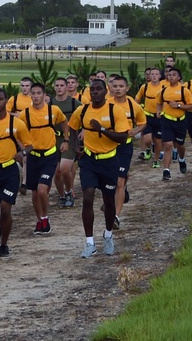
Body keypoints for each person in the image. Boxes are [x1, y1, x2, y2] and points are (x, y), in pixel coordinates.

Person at [67, 79, 129, 258]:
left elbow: (123, 137)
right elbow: (72, 127)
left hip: (109, 161)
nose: (95, 92)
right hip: (89, 161)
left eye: (98, 89)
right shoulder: (83, 110)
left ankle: (108, 235)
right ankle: (89, 243)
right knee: (87, 198)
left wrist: (101, 128)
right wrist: (74, 147)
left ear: (105, 91)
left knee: (108, 202)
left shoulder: (114, 110)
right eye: (92, 89)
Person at [0, 88, 32, 256]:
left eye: (0, 99)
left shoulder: (16, 123)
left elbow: (29, 145)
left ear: (5, 101)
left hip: (9, 171)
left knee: (6, 208)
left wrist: (22, 153)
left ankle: (3, 245)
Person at [18, 82, 69, 235]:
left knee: (42, 190)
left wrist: (66, 140)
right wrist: (23, 149)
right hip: (33, 157)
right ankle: (39, 219)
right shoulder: (25, 114)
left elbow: (64, 122)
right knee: (34, 193)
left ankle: (46, 217)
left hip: (49, 156)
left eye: (38, 93)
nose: (35, 96)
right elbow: (18, 132)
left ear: (44, 95)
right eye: (33, 93)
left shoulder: (53, 110)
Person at [109, 76, 145, 229]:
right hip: (107, 147)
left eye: (121, 86)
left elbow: (142, 122)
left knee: (119, 182)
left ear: (127, 88)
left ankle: (115, 216)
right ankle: (112, 199)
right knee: (109, 181)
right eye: (115, 86)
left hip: (125, 147)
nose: (117, 89)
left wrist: (135, 130)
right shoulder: (106, 104)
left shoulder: (133, 105)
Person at [157, 67, 192, 181]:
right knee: (168, 145)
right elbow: (158, 103)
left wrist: (178, 105)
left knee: (180, 145)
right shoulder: (163, 91)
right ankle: (166, 171)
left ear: (179, 77)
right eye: (169, 74)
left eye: (174, 75)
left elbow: (191, 106)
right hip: (166, 120)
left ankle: (181, 159)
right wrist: (158, 111)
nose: (171, 76)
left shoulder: (184, 91)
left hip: (180, 121)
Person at [51, 77, 81, 208]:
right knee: (56, 172)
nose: (59, 87)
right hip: (53, 140)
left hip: (70, 138)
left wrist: (84, 131)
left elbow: (87, 115)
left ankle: (69, 191)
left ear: (66, 87)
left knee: (64, 169)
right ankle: (62, 195)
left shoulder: (75, 103)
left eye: (62, 85)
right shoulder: (49, 104)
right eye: (57, 85)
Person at [134, 67, 164, 167]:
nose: (154, 76)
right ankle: (148, 149)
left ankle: (156, 160)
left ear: (160, 76)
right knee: (147, 139)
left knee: (158, 140)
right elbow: (137, 99)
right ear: (149, 76)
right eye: (152, 74)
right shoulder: (145, 87)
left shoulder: (164, 87)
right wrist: (137, 110)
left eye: (156, 74)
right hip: (147, 116)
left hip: (159, 117)